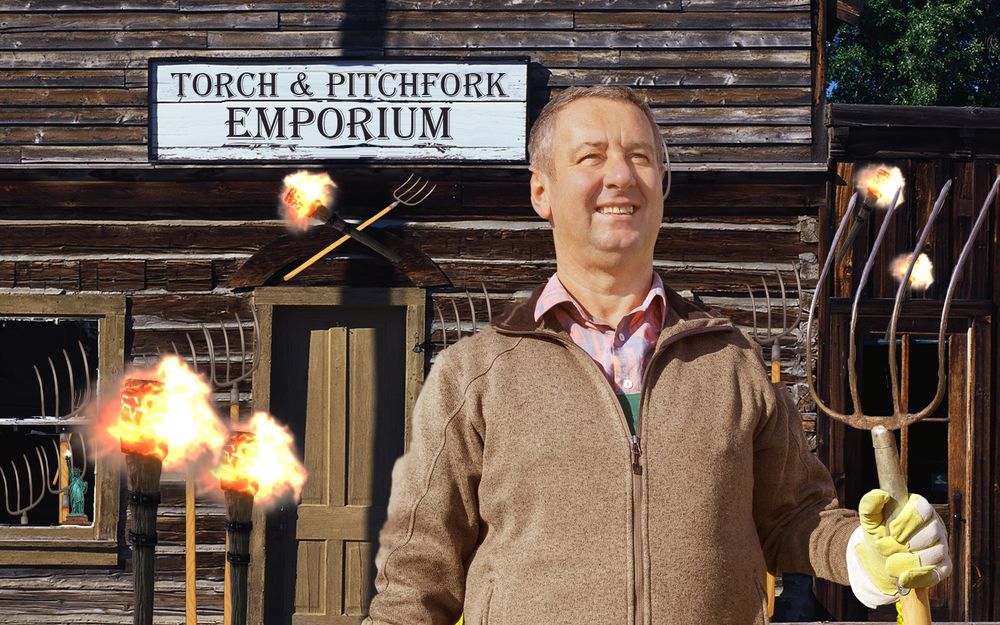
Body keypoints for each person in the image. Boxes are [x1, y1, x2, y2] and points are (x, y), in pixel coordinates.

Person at [363, 86, 950, 624]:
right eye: (591, 157)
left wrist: (861, 553)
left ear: (663, 183)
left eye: (641, 157)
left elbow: (794, 515)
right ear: (541, 190)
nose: (620, 175)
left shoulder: (731, 362)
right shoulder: (476, 375)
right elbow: (417, 578)